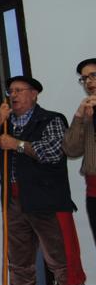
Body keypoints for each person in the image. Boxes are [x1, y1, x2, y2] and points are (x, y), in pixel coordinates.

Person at [0, 76, 91, 285]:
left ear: (34, 94)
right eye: (10, 92)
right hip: (14, 202)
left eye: (19, 91)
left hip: (48, 200)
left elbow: (55, 153)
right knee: (19, 260)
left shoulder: (51, 119)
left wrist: (17, 144)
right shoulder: (4, 124)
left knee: (63, 257)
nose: (13, 95)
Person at [62, 58, 96, 247]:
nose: (89, 82)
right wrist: (79, 115)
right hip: (94, 191)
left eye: (93, 76)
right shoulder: (87, 110)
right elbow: (71, 150)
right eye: (84, 79)